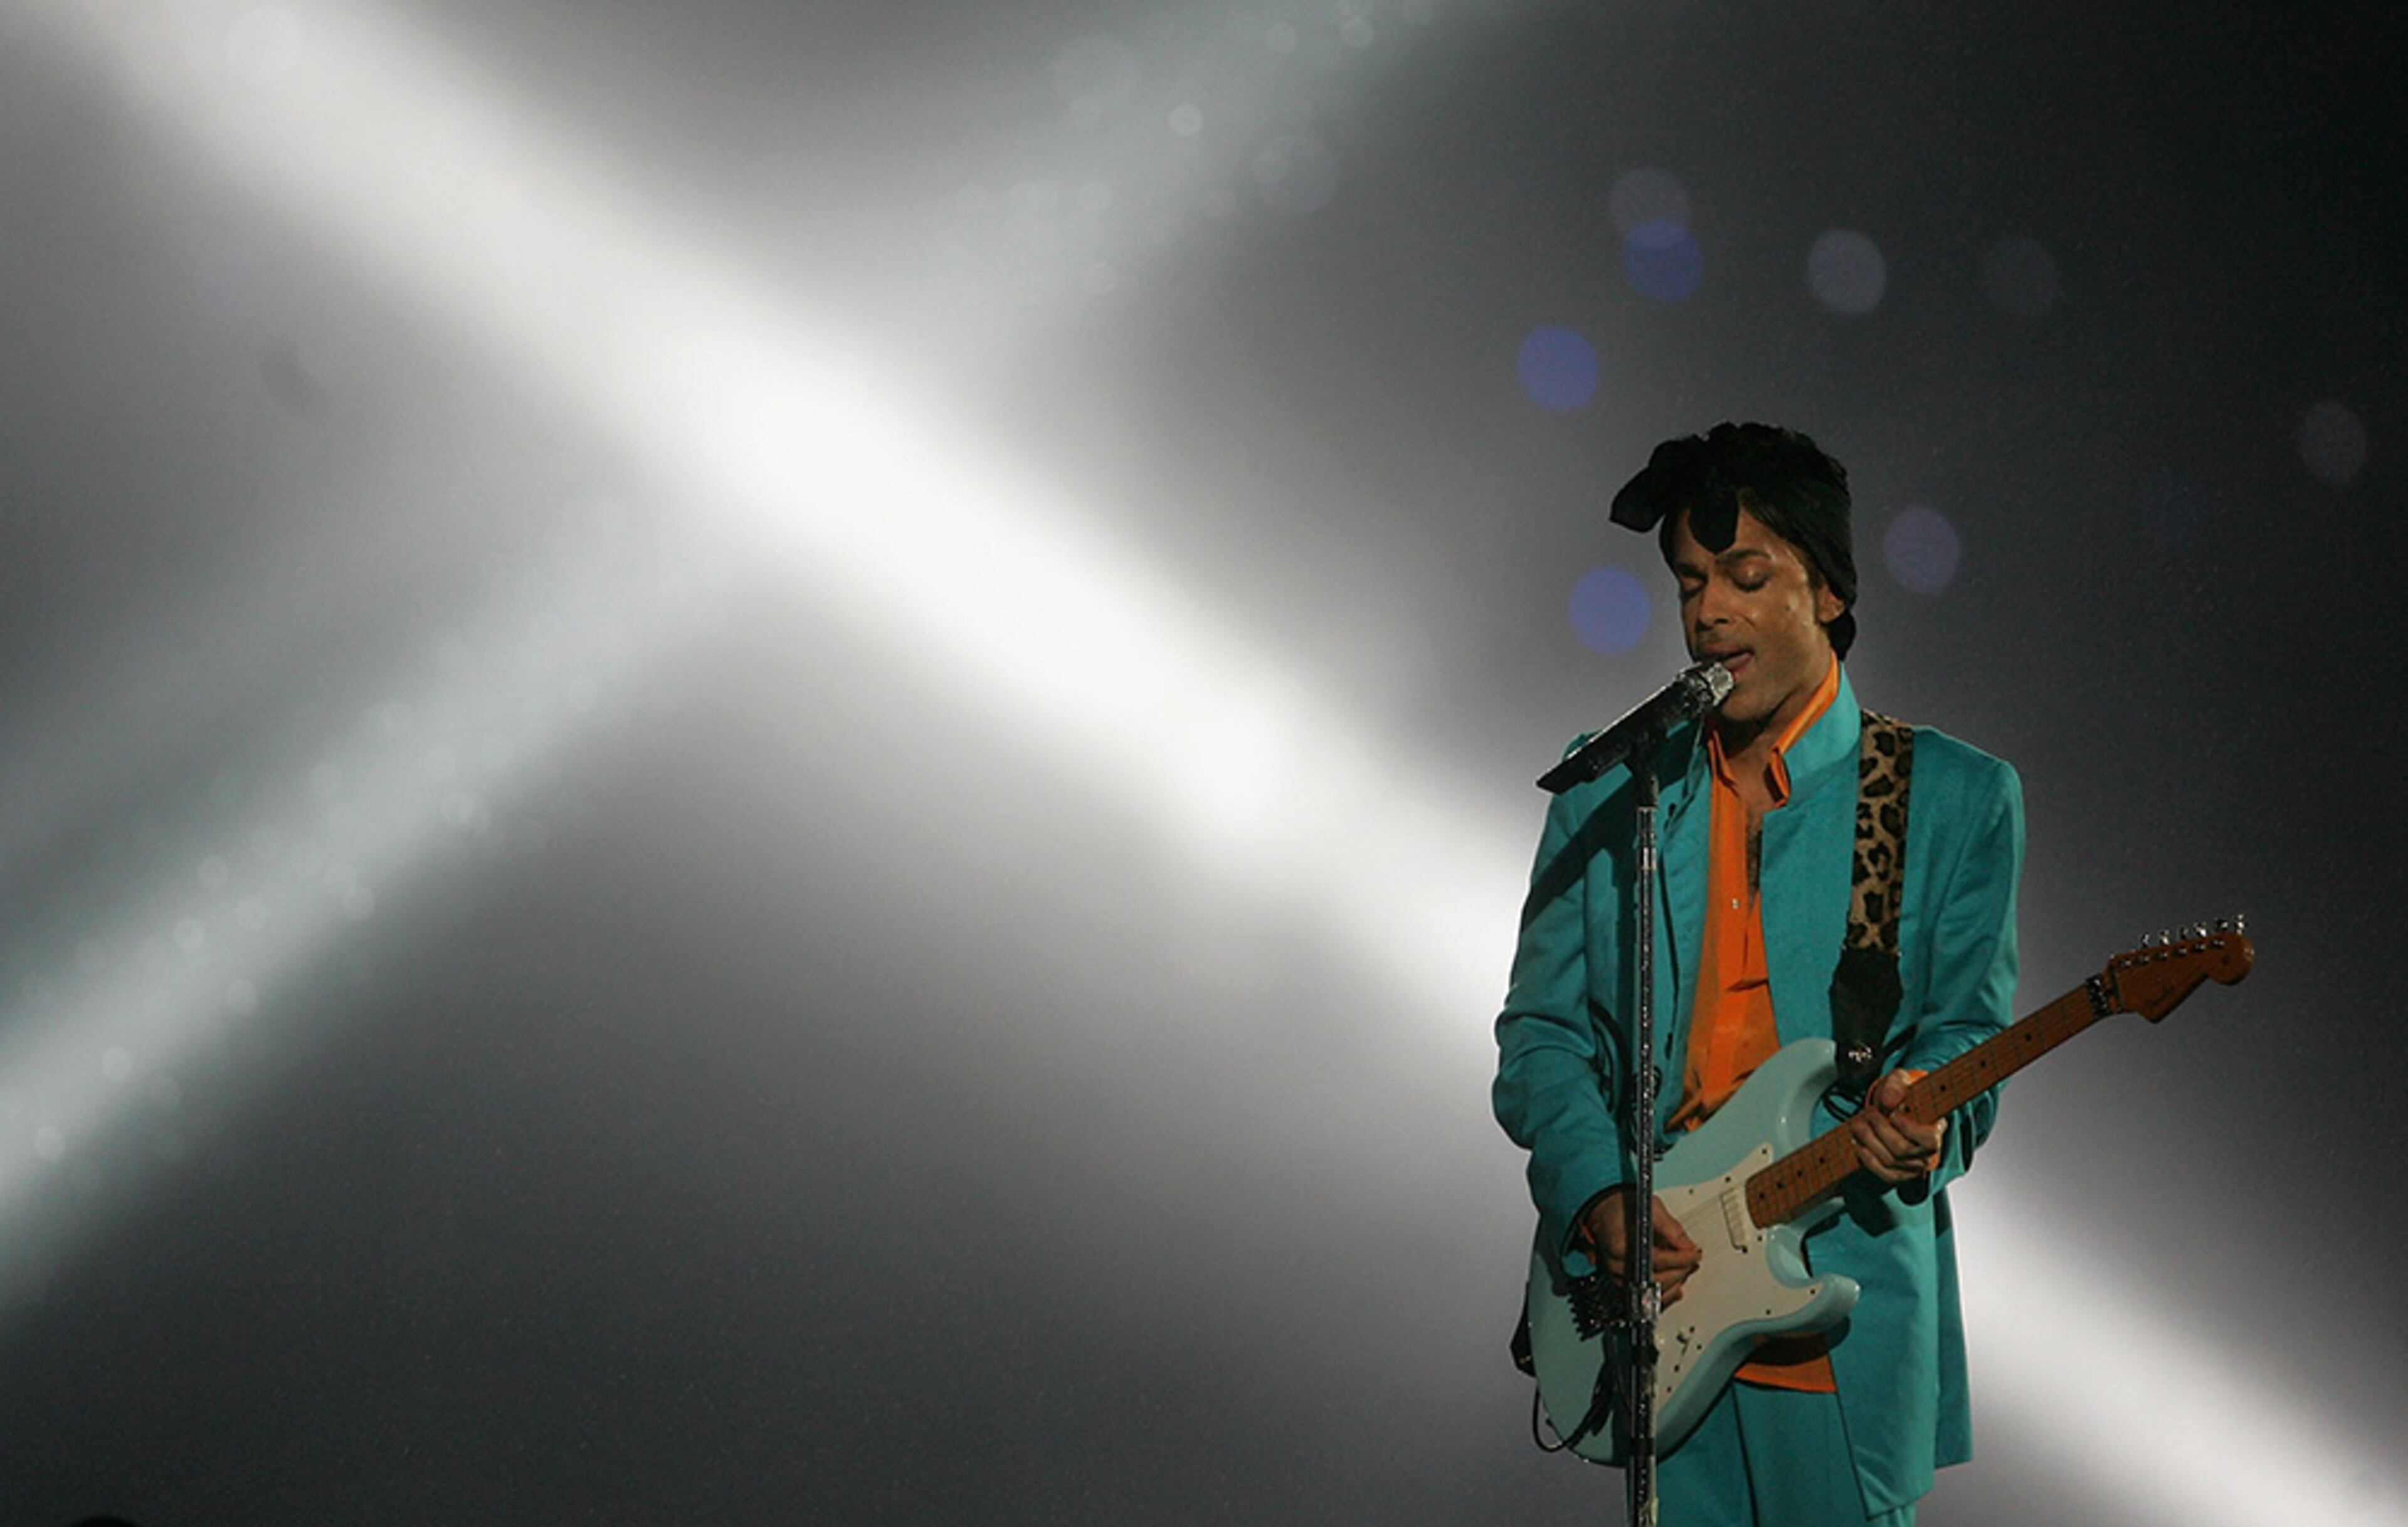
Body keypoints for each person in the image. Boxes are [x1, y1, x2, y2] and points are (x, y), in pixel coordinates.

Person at [1492, 423, 2024, 1526]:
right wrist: (1599, 1194)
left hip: (1844, 1317)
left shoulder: (1952, 799)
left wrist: (1927, 1122)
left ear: (1828, 592)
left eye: (1747, 576)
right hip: (1660, 1313)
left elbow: (1968, 1034)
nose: (1708, 613)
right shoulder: (1609, 794)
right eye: (1691, 582)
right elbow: (1540, 1033)